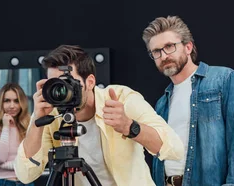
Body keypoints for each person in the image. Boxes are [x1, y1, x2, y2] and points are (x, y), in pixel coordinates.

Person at [14, 45, 184, 186]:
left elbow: (174, 149)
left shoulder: (121, 99)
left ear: (90, 82)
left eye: (68, 83)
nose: (62, 92)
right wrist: (37, 121)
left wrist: (129, 126)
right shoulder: (50, 116)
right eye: (56, 85)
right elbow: (26, 175)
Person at [142, 16, 234, 186]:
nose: (164, 56)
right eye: (156, 52)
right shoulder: (162, 103)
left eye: (169, 46)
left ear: (188, 47)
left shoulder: (225, 80)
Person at [0, 83, 34, 186]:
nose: (12, 106)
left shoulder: (28, 127)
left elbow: (32, 160)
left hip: (26, 182)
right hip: (3, 183)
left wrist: (2, 165)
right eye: (7, 101)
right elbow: (0, 158)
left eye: (16, 101)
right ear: (0, 103)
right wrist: (6, 127)